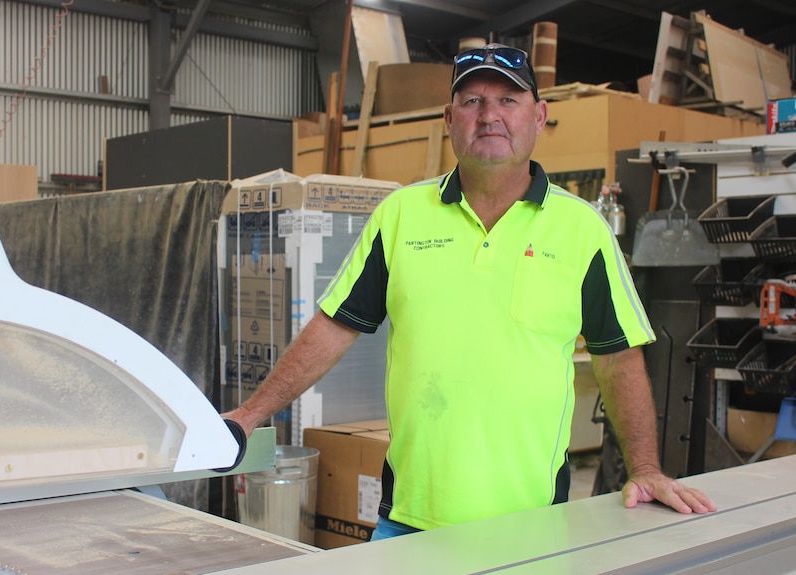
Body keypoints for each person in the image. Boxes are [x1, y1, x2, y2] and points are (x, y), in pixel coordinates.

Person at [223, 43, 716, 540]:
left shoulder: (582, 230)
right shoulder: (400, 216)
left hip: (533, 525)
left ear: (539, 116)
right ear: (449, 117)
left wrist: (646, 469)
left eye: (508, 100)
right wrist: (248, 417)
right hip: (409, 523)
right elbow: (333, 327)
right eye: (473, 101)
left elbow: (618, 359)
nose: (489, 116)